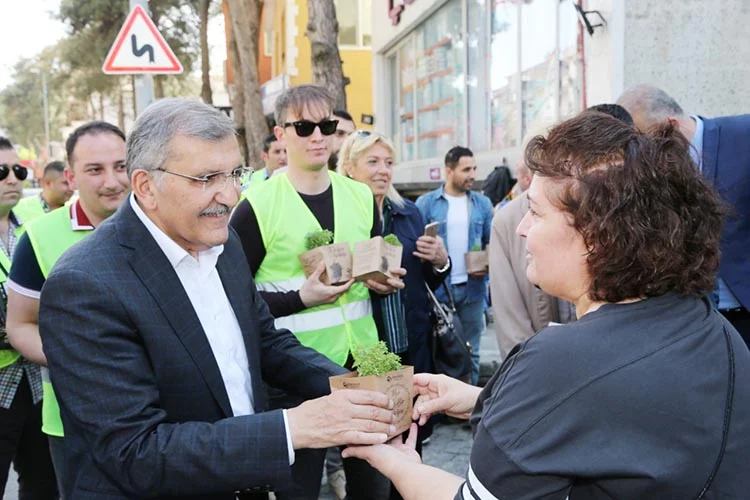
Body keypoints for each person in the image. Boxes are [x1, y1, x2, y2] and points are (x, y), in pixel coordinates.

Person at [343, 111, 750, 499]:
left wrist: (397, 462)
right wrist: (483, 399)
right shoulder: (711, 327)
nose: (521, 228)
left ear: (597, 237)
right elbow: (615, 416)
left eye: (535, 212)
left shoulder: (558, 361)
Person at [37, 98, 397, 500]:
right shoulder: (85, 285)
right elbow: (134, 452)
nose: (229, 195)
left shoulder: (222, 242)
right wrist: (292, 429)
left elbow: (264, 341)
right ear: (146, 187)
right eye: (207, 178)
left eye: (235, 174)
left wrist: (359, 390)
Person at [231, 85, 403, 500]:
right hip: (291, 369)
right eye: (304, 127)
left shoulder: (360, 195)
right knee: (298, 491)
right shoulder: (256, 205)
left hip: (364, 361)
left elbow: (375, 273)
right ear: (280, 134)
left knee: (374, 487)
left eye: (326, 126)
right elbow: (232, 298)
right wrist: (300, 299)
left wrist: (383, 283)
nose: (317, 137)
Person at [6, 121, 130, 497]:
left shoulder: (167, 225)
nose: (112, 181)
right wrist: (77, 360)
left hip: (168, 417)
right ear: (71, 178)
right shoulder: (39, 237)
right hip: (74, 425)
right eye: (95, 170)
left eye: (121, 166)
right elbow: (20, 325)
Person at [617, 84, 750, 345]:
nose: (644, 150)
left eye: (647, 138)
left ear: (672, 125)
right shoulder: (650, 170)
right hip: (697, 324)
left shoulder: (743, 135)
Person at [338, 130, 449, 386]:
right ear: (349, 167)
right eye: (373, 162)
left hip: (413, 340)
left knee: (418, 407)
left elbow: (425, 281)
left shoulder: (409, 212)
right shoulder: (338, 217)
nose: (383, 170)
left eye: (388, 163)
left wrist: (440, 261)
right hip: (365, 349)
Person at [0, 137, 59, 499]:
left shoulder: (37, 228)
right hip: (2, 382)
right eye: (1, 171)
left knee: (43, 487)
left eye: (19, 171)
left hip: (38, 384)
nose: (12, 179)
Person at [416, 146, 493, 385]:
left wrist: (486, 263)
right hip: (439, 289)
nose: (472, 175)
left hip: (473, 288)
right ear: (449, 171)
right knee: (441, 348)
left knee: (472, 349)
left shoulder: (482, 204)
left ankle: (470, 402)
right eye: (466, 170)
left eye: (474, 169)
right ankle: (443, 399)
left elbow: (490, 241)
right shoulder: (427, 204)